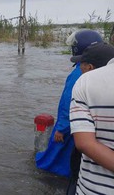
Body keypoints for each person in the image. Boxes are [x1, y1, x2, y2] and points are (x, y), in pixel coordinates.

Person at [35, 30, 103, 177]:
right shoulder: (101, 69)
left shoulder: (79, 72)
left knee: (55, 157)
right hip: (91, 128)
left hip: (72, 128)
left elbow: (68, 103)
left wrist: (60, 128)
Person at [66, 42, 114, 195]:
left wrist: (60, 129)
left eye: (82, 64)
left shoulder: (85, 82)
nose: (80, 68)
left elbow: (85, 144)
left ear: (90, 67)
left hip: (91, 187)